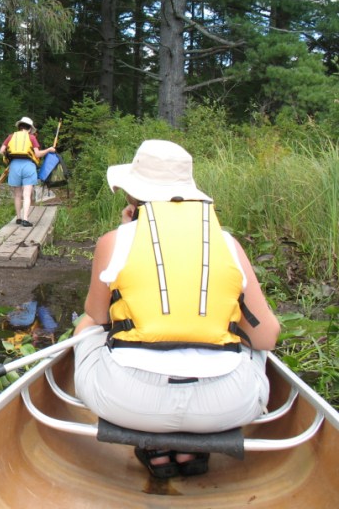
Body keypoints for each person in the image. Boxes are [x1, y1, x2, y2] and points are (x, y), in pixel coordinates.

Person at [72, 139, 280, 478]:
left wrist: (127, 232)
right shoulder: (228, 243)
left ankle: (156, 448)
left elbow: (99, 315)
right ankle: (192, 446)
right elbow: (267, 337)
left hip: (128, 402)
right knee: (250, 342)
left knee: (87, 327)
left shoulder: (115, 240)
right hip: (226, 406)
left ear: (134, 197)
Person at [0, 117, 55, 227]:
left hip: (14, 166)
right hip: (28, 166)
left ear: (19, 127)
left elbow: (1, 151)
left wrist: (10, 155)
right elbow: (37, 154)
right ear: (30, 129)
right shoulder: (32, 137)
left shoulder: (11, 136)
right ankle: (25, 219)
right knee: (27, 194)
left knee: (17, 195)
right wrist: (49, 149)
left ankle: (18, 218)